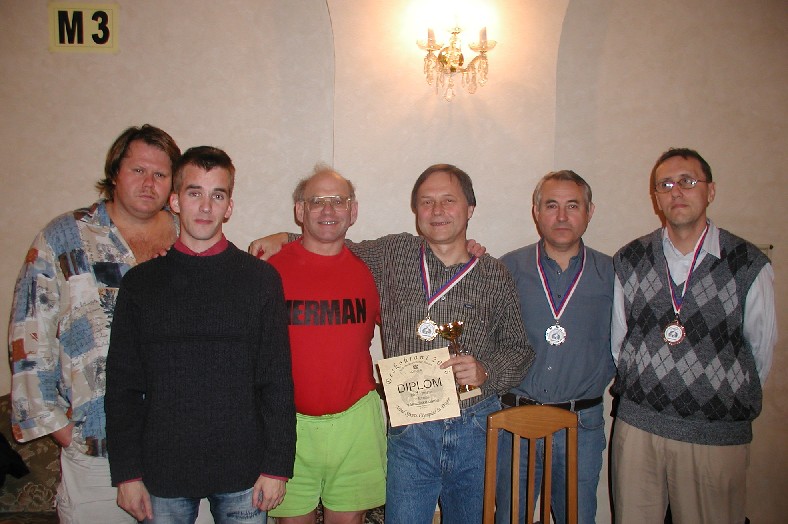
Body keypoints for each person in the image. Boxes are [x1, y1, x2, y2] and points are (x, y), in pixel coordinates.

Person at [251, 163, 534, 523]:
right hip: (410, 429)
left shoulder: (495, 273)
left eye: (448, 200)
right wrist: (285, 237)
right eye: (426, 201)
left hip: (474, 426)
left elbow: (520, 349)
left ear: (470, 209)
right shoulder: (392, 254)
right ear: (416, 211)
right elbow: (330, 239)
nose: (437, 210)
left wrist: (486, 371)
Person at [104, 146, 296, 523]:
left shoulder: (260, 280)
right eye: (195, 193)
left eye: (217, 195)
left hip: (244, 469)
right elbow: (123, 386)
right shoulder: (141, 284)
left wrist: (277, 466)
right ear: (175, 201)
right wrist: (126, 474)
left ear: (229, 207)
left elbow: (276, 380)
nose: (206, 207)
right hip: (163, 470)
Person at [8, 124, 181, 523]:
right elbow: (29, 334)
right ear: (115, 172)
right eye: (138, 170)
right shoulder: (64, 238)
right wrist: (61, 427)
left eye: (160, 174)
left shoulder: (187, 236)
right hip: (95, 448)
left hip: (177, 446)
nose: (149, 183)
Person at [610, 147, 777, 523]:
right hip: (638, 430)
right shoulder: (630, 259)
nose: (677, 192)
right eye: (665, 185)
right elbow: (619, 343)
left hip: (712, 437)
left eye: (687, 181)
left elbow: (760, 352)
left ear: (710, 191)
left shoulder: (748, 264)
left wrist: (714, 397)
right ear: (656, 198)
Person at [266, 165, 385, 524]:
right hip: (287, 425)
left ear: (353, 210)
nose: (329, 210)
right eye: (317, 201)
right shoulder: (268, 270)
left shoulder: (374, 269)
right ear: (300, 210)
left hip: (355, 423)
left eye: (338, 201)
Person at [496, 170, 615, 524]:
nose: (562, 216)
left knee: (576, 517)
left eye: (572, 205)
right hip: (515, 421)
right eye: (551, 205)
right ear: (536, 211)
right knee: (510, 518)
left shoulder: (613, 274)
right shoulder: (507, 268)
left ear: (590, 211)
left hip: (580, 423)